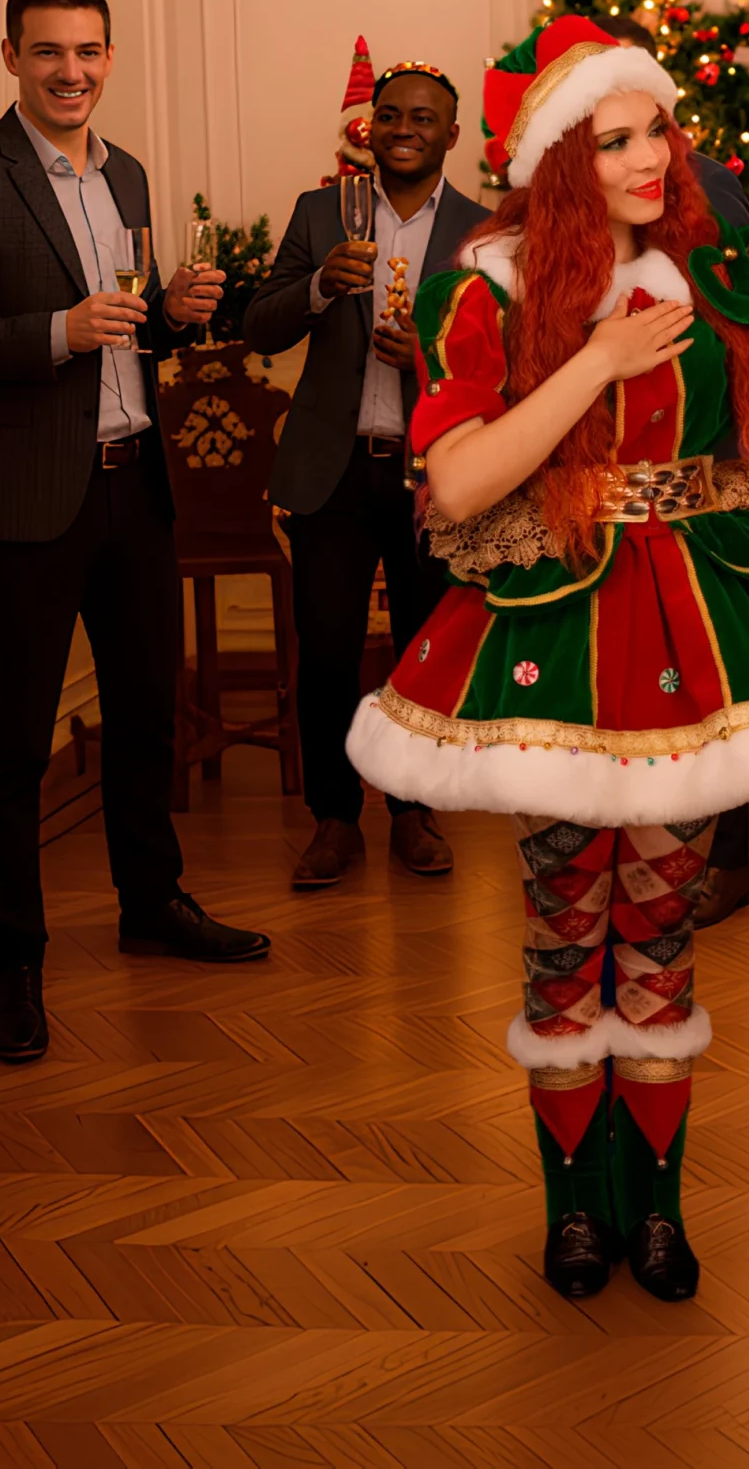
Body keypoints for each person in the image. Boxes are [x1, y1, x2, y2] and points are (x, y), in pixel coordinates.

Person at [344, 17, 749, 1301]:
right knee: (562, 927)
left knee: (659, 929)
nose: (650, 156)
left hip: (694, 623)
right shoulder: (487, 285)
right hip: (555, 627)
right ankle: (573, 1212)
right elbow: (461, 480)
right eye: (613, 141)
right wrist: (596, 356)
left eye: (655, 129)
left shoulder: (725, 268)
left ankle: (655, 1209)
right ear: (559, 163)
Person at [0, 0, 269, 1069]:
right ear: (11, 55)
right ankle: (15, 966)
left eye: (90, 50)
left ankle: (151, 904)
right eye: (50, 51)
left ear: (110, 56)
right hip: (23, 500)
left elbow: (129, 329)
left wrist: (173, 315)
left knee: (147, 714)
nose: (72, 71)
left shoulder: (129, 173)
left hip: (134, 483)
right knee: (15, 742)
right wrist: (60, 331)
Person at [244, 63, 488, 887]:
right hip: (333, 472)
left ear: (452, 134)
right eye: (389, 115)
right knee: (326, 654)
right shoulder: (323, 213)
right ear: (368, 128)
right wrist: (318, 287)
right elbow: (260, 327)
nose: (404, 129)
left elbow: (509, 360)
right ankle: (333, 818)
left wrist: (430, 358)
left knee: (423, 654)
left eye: (423, 117)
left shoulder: (484, 231)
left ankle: (414, 813)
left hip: (434, 476)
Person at [597, 15, 749, 927]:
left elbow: (739, 323)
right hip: (602, 482)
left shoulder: (711, 187)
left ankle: (724, 860)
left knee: (708, 666)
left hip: (702, 464)